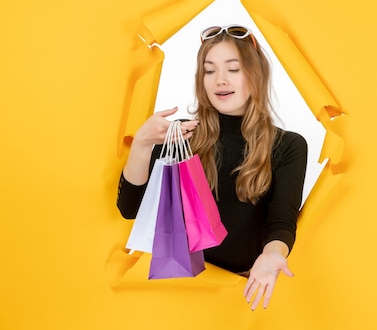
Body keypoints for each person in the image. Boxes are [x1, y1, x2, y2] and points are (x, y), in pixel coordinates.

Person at [116, 25, 308, 310]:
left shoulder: (288, 145)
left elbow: (281, 222)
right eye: (209, 70)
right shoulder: (181, 135)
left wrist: (272, 254)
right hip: (177, 291)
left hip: (237, 296)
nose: (220, 80)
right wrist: (143, 143)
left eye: (233, 69)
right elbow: (131, 209)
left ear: (256, 74)